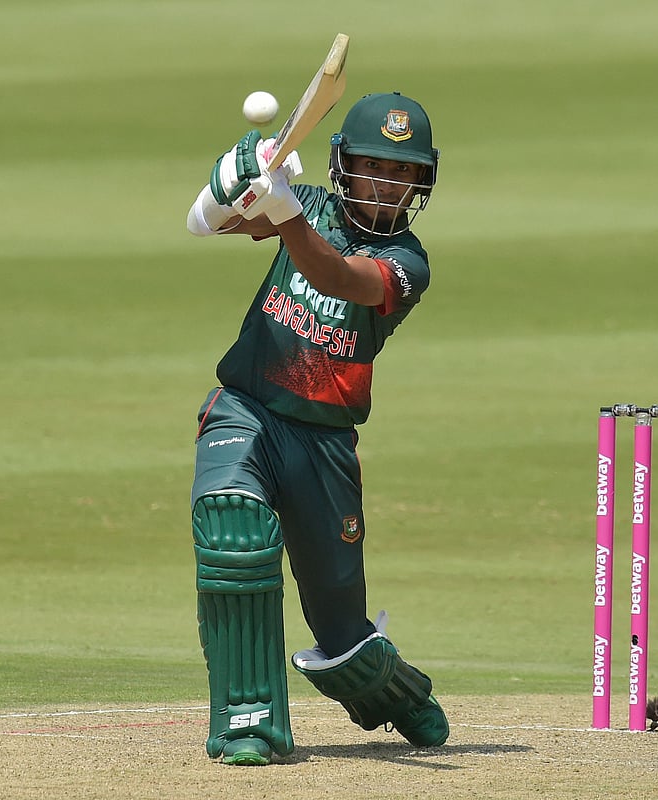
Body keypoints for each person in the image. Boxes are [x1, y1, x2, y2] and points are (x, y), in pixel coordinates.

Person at [185, 92, 448, 766]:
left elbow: (334, 274)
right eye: (374, 167)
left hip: (324, 443)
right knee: (230, 526)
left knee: (339, 634)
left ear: (420, 183)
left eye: (403, 174)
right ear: (344, 166)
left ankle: (397, 693)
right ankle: (250, 722)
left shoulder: (408, 264)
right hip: (249, 407)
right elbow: (210, 225)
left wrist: (287, 210)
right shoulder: (313, 204)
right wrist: (244, 172)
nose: (387, 185)